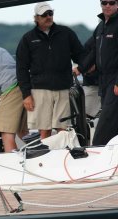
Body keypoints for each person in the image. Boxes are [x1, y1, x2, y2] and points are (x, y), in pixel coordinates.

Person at [16, 2, 84, 139]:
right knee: (44, 130)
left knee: (63, 129)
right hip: (40, 90)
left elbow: (80, 55)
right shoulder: (28, 39)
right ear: (36, 18)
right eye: (44, 15)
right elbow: (21, 68)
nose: (48, 17)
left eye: (50, 14)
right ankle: (46, 157)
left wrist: (84, 67)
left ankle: (65, 156)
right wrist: (26, 94)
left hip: (63, 87)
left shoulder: (66, 33)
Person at [74, 0, 118, 145]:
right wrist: (80, 69)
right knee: (112, 117)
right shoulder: (100, 27)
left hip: (114, 78)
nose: (107, 5)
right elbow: (93, 52)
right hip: (103, 80)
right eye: (104, 2)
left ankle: (97, 148)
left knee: (106, 119)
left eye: (112, 2)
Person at [82, 37, 100, 118]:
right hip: (93, 85)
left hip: (108, 84)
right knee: (85, 118)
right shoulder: (91, 42)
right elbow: (85, 66)